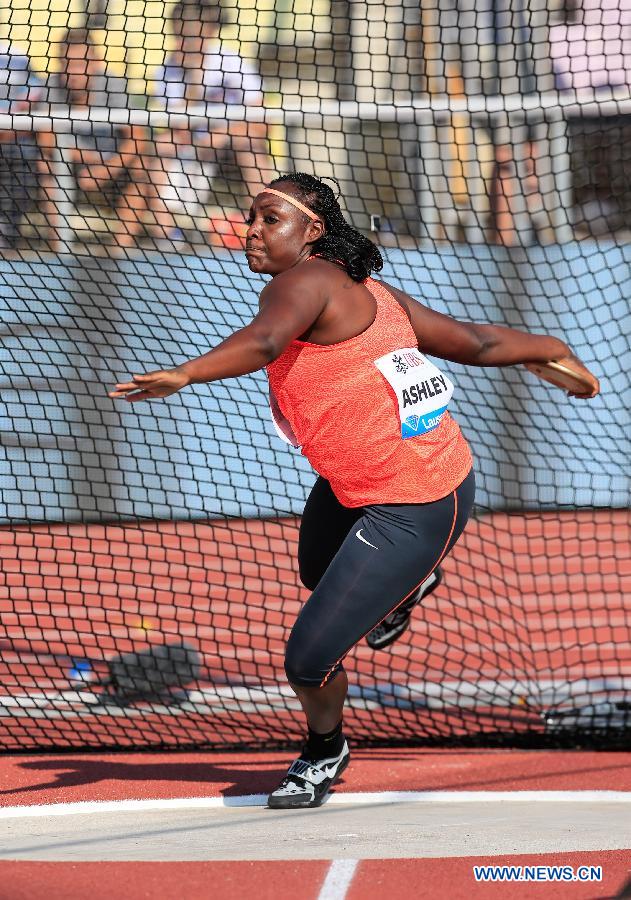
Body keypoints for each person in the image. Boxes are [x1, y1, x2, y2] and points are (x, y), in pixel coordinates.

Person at [110, 172, 599, 809]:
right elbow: (474, 341)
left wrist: (185, 372)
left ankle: (324, 749)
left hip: (416, 495)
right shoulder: (364, 288)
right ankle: (407, 586)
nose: (252, 232)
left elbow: (264, 341)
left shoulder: (303, 280)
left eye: (268, 220)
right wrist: (550, 349)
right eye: (250, 219)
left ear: (312, 232)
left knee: (307, 660)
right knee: (318, 572)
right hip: (350, 484)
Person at [149, 0, 274, 235]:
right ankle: (166, 238)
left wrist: (223, 133)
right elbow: (180, 128)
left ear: (208, 31)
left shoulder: (232, 62)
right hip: (194, 147)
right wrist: (194, 78)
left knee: (249, 144)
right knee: (161, 145)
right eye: (179, 34)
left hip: (233, 144)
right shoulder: (168, 70)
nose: (183, 41)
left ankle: (261, 230)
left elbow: (263, 122)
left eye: (191, 34)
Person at [46, 29, 178, 248]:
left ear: (96, 62)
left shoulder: (113, 86)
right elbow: (46, 139)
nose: (74, 72)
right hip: (71, 165)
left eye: (81, 63)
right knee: (44, 167)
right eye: (68, 64)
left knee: (142, 165)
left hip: (115, 165)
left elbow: (138, 137)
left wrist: (106, 169)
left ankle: (120, 250)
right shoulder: (52, 87)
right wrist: (87, 158)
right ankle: (59, 250)